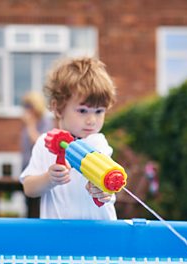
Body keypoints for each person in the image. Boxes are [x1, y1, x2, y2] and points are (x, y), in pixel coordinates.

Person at [20, 56, 118, 220]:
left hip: (99, 233)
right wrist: (48, 179)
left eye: (99, 111)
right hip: (58, 236)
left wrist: (103, 191)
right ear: (58, 109)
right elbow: (29, 188)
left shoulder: (98, 143)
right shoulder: (45, 143)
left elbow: (109, 187)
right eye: (82, 111)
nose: (91, 120)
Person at [20, 91, 54, 218]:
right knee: (28, 203)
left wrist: (30, 125)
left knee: (37, 205)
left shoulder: (44, 121)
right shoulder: (28, 123)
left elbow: (41, 142)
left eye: (29, 106)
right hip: (26, 166)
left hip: (39, 170)